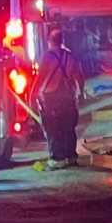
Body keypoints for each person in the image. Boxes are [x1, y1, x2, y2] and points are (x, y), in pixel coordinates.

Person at [31, 28, 85, 170]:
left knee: (53, 129)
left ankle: (57, 158)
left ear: (49, 41)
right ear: (62, 41)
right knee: (68, 127)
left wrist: (32, 95)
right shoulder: (70, 56)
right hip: (68, 96)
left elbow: (40, 77)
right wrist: (81, 93)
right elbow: (79, 76)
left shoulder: (47, 57)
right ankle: (71, 157)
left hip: (51, 98)